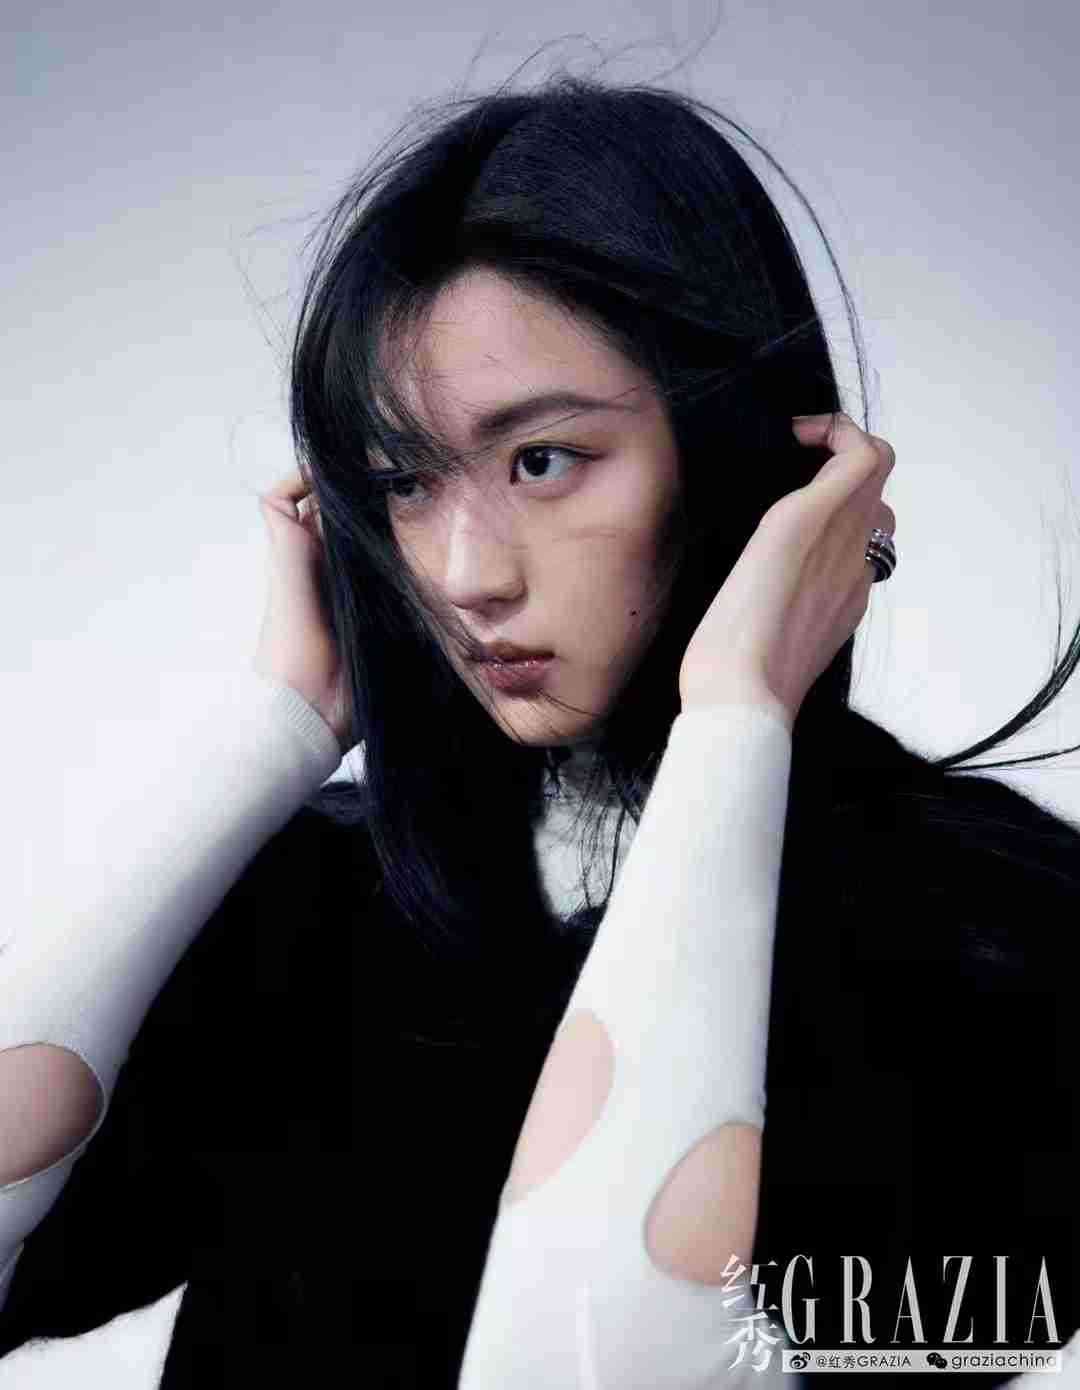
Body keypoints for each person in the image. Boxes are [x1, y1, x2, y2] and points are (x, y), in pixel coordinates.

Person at [1, 71, 1079, 1389]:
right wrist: (269, 729)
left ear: (741, 455)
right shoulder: (313, 912)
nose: (463, 576)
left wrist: (735, 719)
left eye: (543, 460)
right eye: (401, 481)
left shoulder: (998, 940)